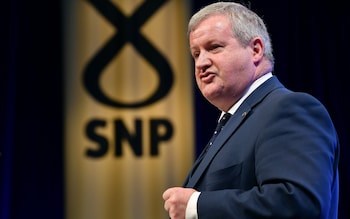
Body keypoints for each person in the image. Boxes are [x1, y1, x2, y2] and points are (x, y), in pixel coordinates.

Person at [162, 1, 340, 219]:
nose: (201, 63)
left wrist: (197, 205)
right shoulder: (234, 121)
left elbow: (298, 203)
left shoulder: (288, 109)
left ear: (256, 50)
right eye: (196, 54)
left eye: (214, 47)